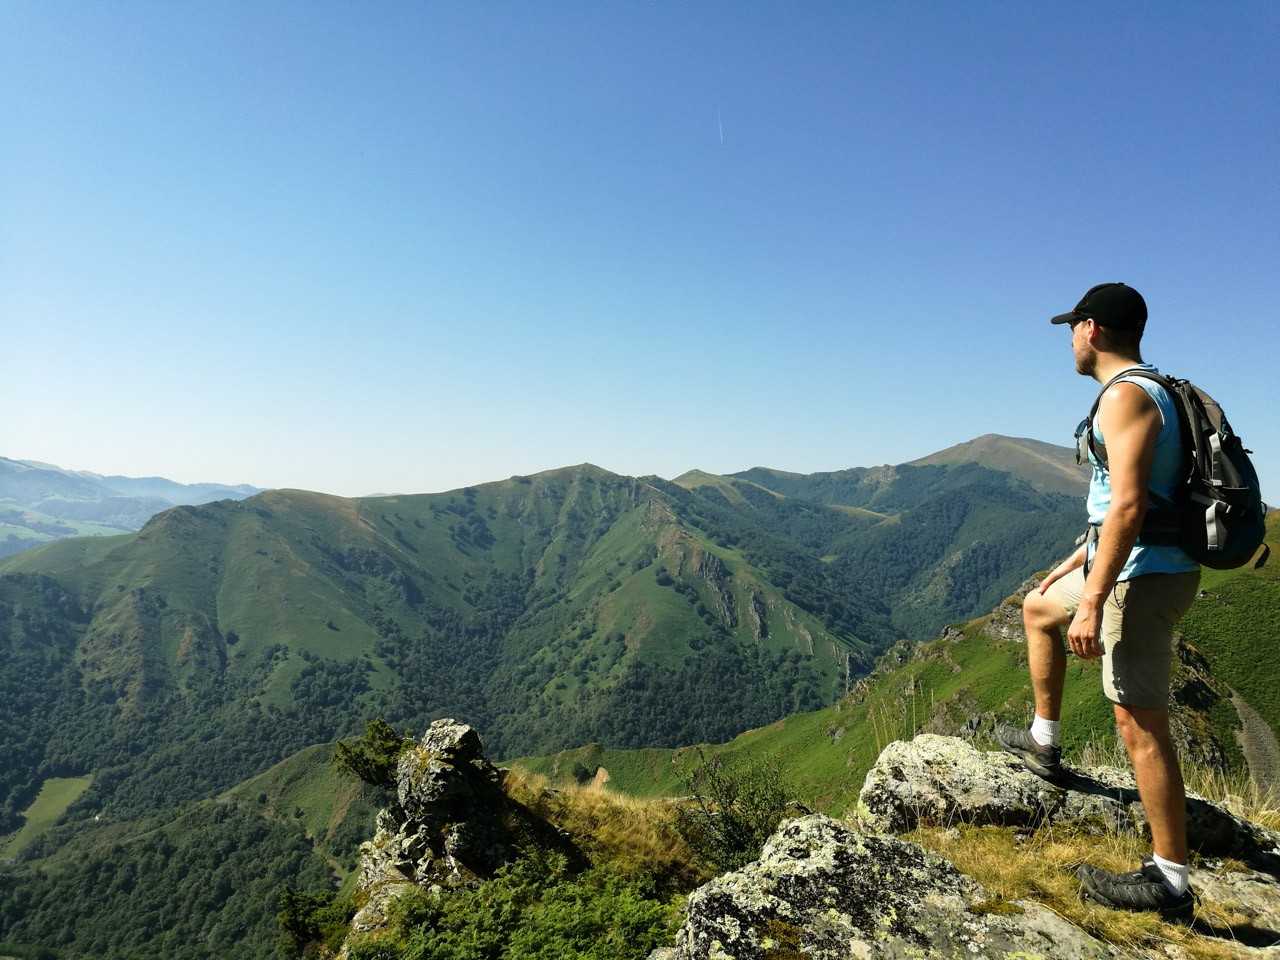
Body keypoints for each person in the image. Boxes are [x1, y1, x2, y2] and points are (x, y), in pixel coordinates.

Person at [996, 282, 1202, 919]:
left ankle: (1170, 881)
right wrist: (1076, 565)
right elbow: (1122, 504)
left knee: (1138, 721)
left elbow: (1132, 506)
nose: (1069, 341)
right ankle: (1044, 740)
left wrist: (1092, 600)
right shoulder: (1149, 390)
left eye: (1072, 328)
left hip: (1142, 577)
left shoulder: (1126, 397)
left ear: (1091, 328)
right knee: (1038, 608)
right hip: (1126, 562)